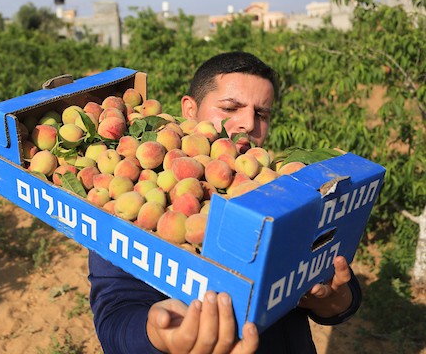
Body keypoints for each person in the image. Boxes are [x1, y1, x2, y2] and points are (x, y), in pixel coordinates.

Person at [88, 52, 362, 353]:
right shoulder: (132, 197)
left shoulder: (280, 187)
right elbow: (115, 314)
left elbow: (330, 270)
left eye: (262, 114)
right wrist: (158, 335)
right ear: (190, 109)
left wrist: (338, 301)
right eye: (231, 108)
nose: (247, 123)